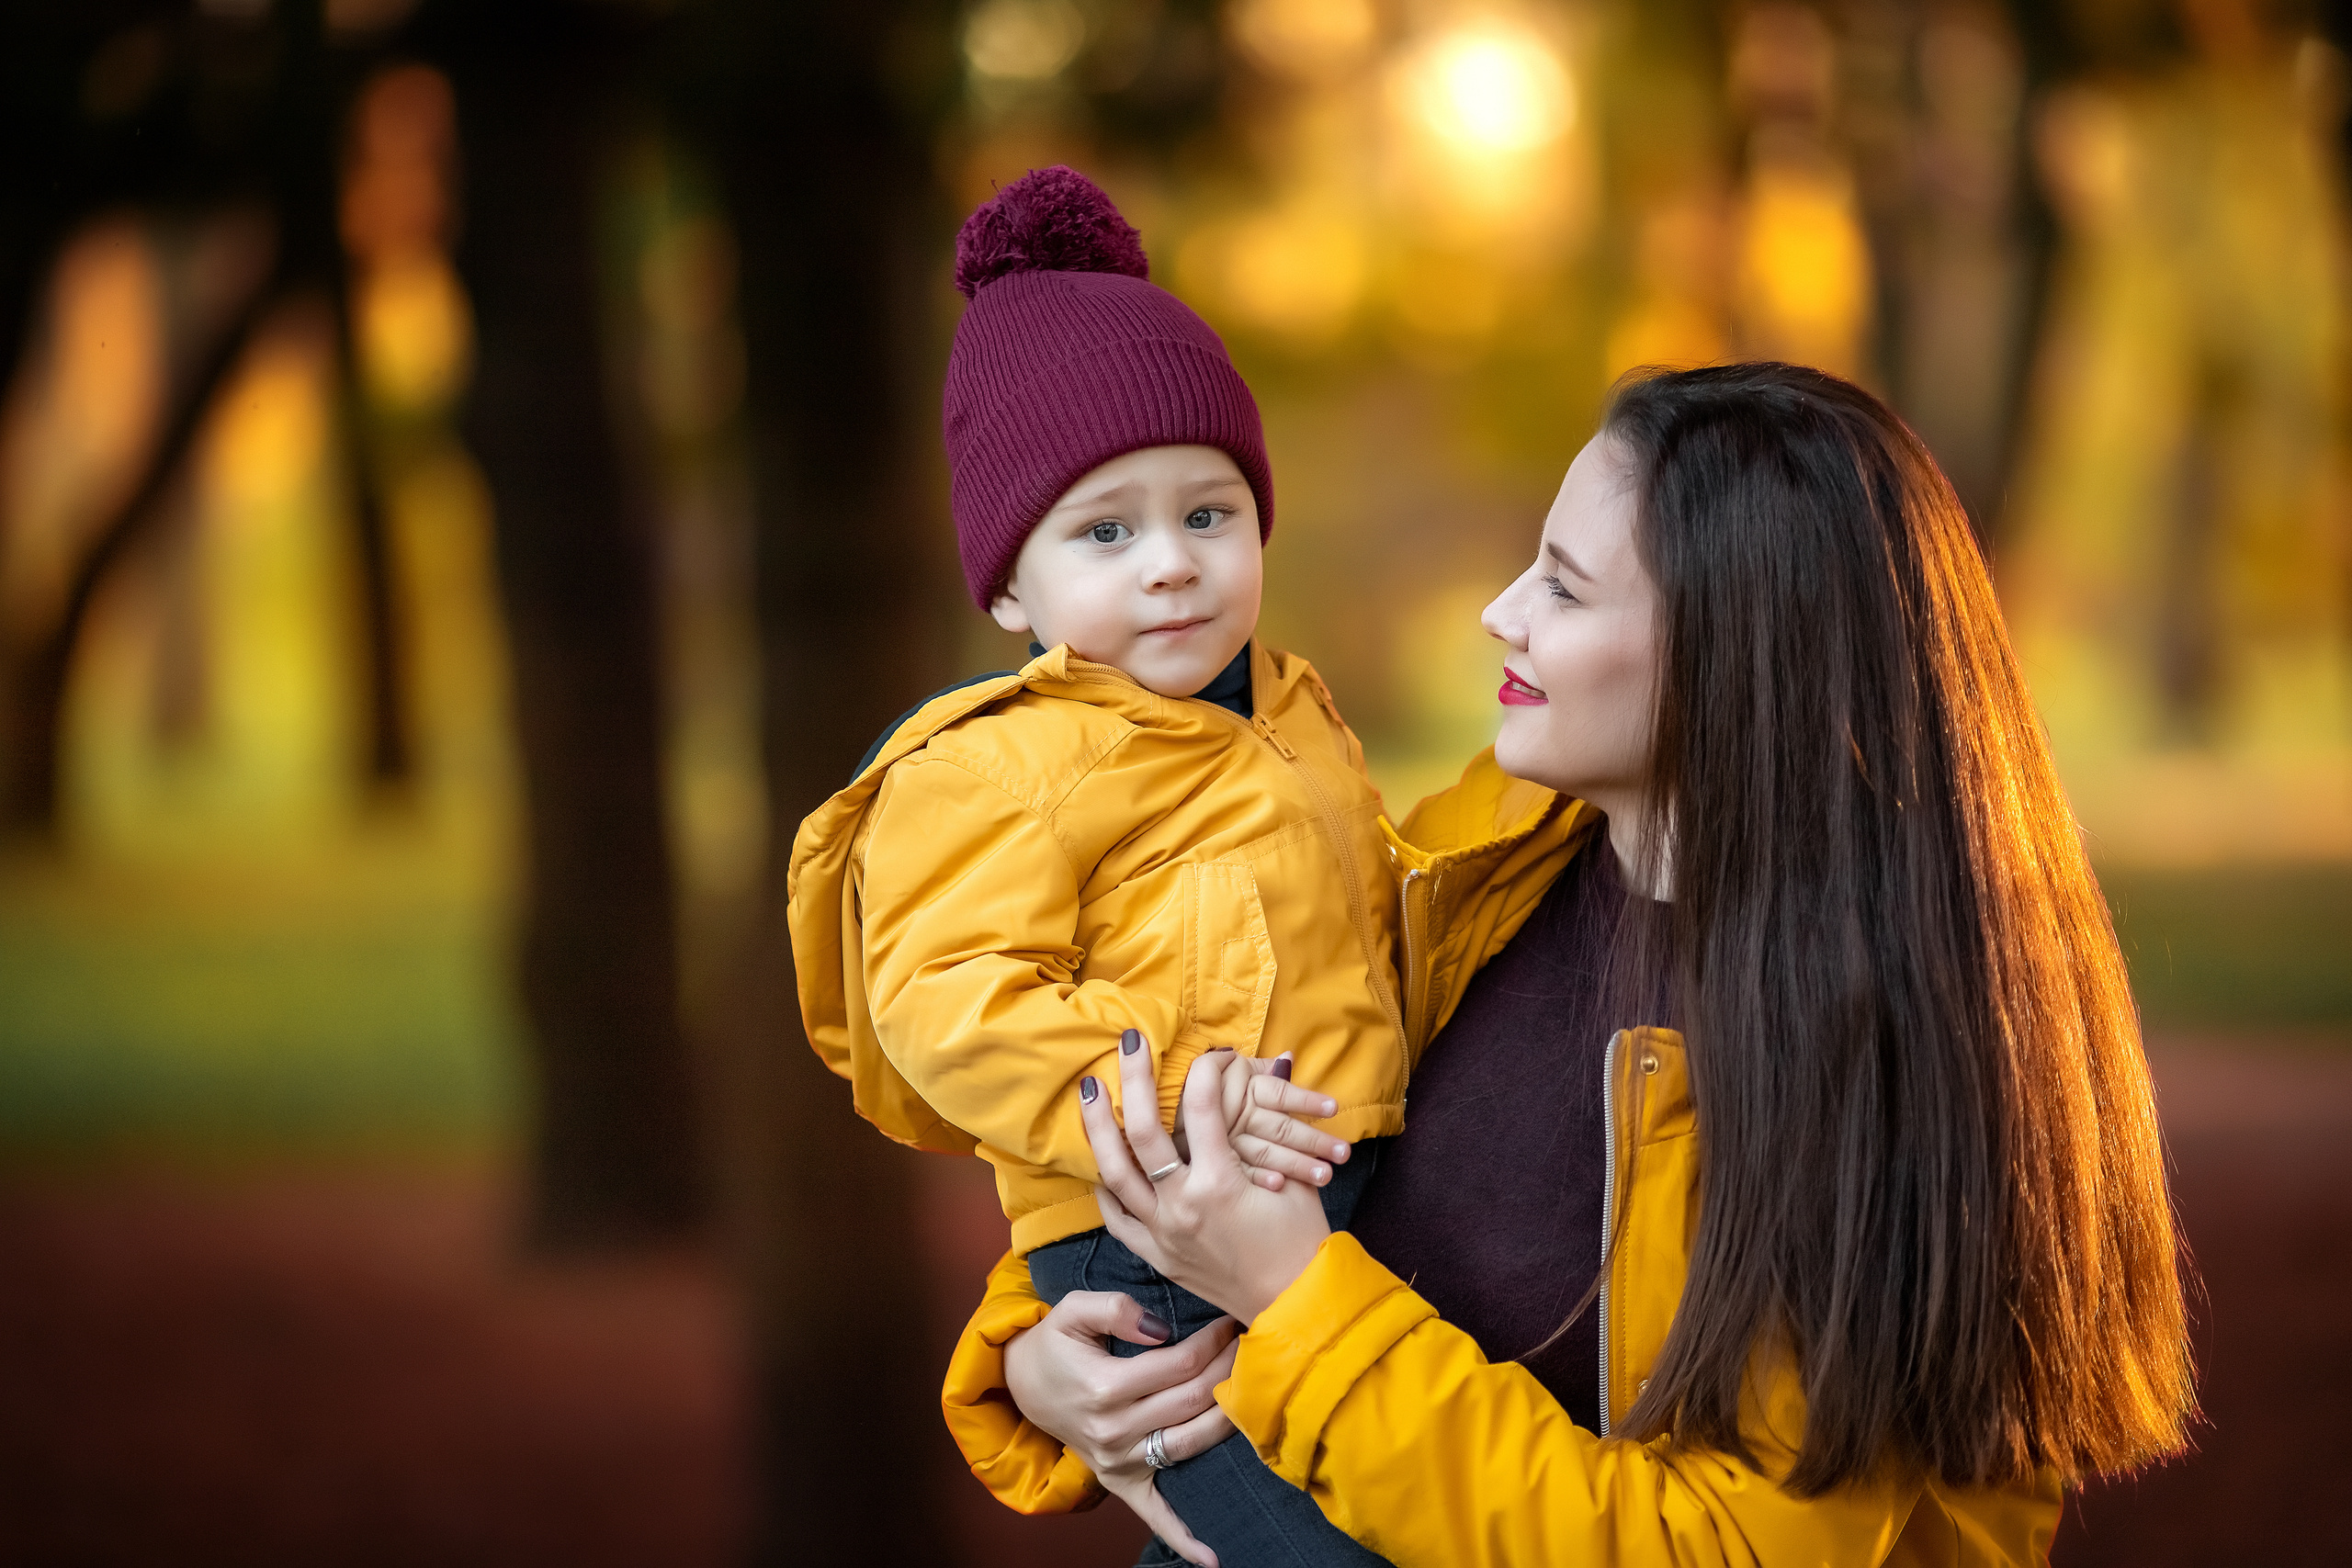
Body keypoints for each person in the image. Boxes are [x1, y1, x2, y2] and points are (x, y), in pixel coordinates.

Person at [943, 363, 2195, 1567]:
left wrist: (1296, 1300)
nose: (1502, 613)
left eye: (1564, 586)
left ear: (1736, 651)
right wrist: (1045, 1353)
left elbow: (1723, 1550)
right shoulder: (1481, 860)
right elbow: (1255, 1098)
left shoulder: (1891, 1062)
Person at [786, 167, 1408, 1566]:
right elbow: (950, 999)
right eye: (1106, 531)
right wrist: (1172, 1104)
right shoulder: (997, 767)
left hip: (1333, 1215)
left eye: (1210, 515)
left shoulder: (1294, 714)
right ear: (1012, 586)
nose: (1172, 565)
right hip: (1148, 1240)